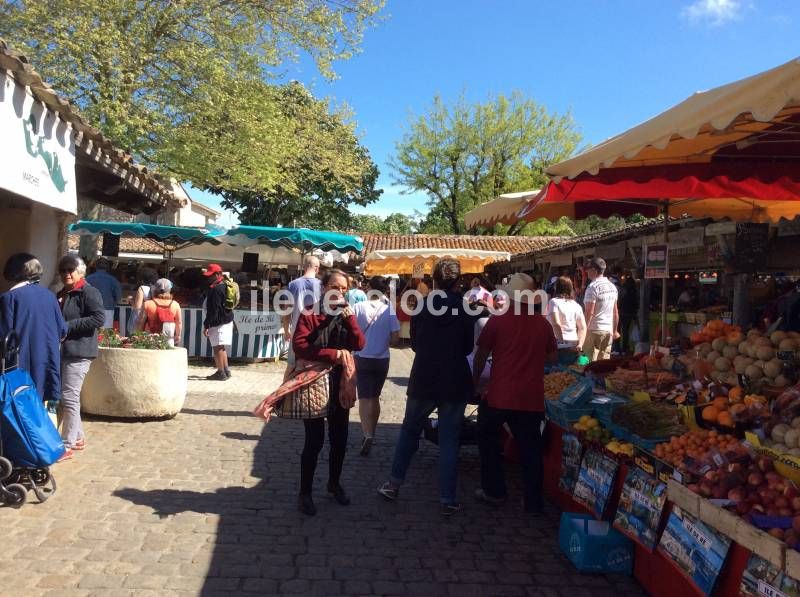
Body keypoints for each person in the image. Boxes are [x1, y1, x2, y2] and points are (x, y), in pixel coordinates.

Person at [378, 258, 474, 516]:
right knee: (450, 440)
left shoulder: (422, 306)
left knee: (409, 431)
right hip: (455, 380)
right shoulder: (464, 308)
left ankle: (393, 484)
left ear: (435, 279)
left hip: (424, 378)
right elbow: (468, 347)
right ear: (458, 280)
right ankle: (447, 498)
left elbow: (415, 343)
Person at [472, 273, 558, 514]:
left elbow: (480, 356)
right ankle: (533, 503)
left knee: (488, 440)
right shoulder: (542, 324)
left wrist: (475, 382)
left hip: (500, 394)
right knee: (531, 450)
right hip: (531, 397)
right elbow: (553, 357)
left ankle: (494, 491)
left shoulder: (498, 321)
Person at [292, 269, 365, 516]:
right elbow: (300, 346)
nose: (340, 292)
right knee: (314, 441)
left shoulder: (347, 314)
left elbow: (359, 344)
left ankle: (334, 484)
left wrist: (351, 320)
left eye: (344, 288)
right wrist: (332, 354)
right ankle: (305, 493)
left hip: (340, 382)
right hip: (314, 380)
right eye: (335, 286)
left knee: (340, 439)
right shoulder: (310, 312)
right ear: (324, 288)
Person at [0, 253, 67, 404]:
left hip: (19, 366)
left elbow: (5, 336)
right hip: (46, 363)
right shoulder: (50, 296)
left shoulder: (9, 298)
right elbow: (62, 331)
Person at [57, 255, 105, 459]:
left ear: (80, 272)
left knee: (69, 396)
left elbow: (98, 318)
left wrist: (68, 326)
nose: (67, 273)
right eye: (63, 270)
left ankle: (66, 444)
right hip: (65, 350)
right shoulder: (62, 293)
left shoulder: (89, 292)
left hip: (80, 351)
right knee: (70, 396)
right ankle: (77, 437)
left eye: (71, 270)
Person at [352, 276, 400, 456]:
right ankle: (372, 431)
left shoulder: (357, 307)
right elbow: (395, 339)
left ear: (369, 288)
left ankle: (366, 434)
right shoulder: (390, 311)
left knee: (364, 397)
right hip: (382, 359)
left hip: (362, 357)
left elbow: (352, 332)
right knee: (375, 397)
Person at [284, 256, 322, 367]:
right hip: (316, 332)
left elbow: (287, 312)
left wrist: (287, 331)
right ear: (317, 268)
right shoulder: (322, 286)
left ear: (304, 267)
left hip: (296, 331)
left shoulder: (292, 285)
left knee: (292, 367)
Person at [582, 257, 619, 361]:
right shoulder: (612, 287)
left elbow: (589, 312)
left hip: (594, 329)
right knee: (603, 365)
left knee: (589, 363)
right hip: (608, 330)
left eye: (588, 269)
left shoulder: (592, 287)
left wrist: (583, 330)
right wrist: (615, 330)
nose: (586, 272)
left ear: (594, 270)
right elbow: (615, 312)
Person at [202, 263, 234, 380]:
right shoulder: (225, 285)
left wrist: (206, 325)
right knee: (222, 347)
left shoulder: (216, 289)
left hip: (218, 322)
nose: (208, 278)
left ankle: (221, 372)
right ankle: (226, 370)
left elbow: (213, 310)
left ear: (217, 274)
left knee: (217, 348)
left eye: (211, 275)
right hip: (226, 320)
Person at [546, 276, 587, 364]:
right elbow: (583, 327)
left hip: (558, 343)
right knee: (570, 373)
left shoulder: (553, 302)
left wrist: (561, 342)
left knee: (556, 374)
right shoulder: (576, 305)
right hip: (574, 342)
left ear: (556, 287)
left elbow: (556, 324)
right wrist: (580, 345)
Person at [139, 278, 182, 347]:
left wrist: (139, 335)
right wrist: (178, 335)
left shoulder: (147, 304)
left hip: (150, 338)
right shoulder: (175, 304)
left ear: (155, 290)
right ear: (169, 290)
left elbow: (141, 322)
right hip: (168, 338)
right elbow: (179, 322)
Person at [86, 257, 121, 328]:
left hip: (89, 309)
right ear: (108, 267)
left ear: (95, 266)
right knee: (105, 335)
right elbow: (118, 296)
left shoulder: (88, 278)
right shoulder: (113, 280)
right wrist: (112, 304)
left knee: (90, 333)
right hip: (107, 309)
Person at [129, 267, 158, 335]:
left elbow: (137, 307)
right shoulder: (156, 288)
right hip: (152, 317)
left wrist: (131, 300)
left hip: (140, 318)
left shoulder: (142, 288)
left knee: (137, 337)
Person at [619, 273, 639, 354]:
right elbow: (636, 302)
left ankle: (619, 347)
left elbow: (620, 299)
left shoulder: (623, 288)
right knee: (626, 330)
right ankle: (625, 347)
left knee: (621, 330)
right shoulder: (634, 290)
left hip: (622, 311)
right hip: (629, 313)